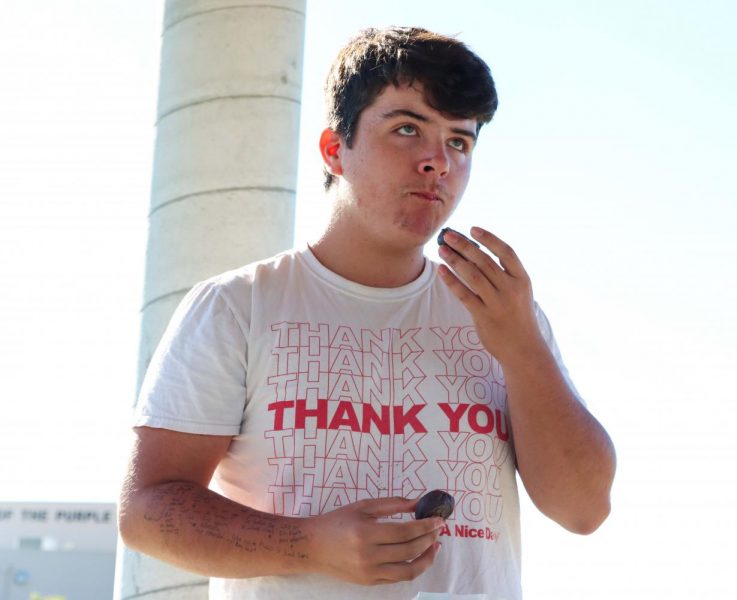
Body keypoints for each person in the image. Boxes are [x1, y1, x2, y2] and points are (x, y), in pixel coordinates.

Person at [118, 26, 616, 600]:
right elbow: (146, 510)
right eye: (408, 128)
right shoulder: (237, 306)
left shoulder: (505, 317)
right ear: (335, 149)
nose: (437, 162)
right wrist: (306, 544)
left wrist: (524, 349)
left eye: (460, 141)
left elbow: (584, 509)